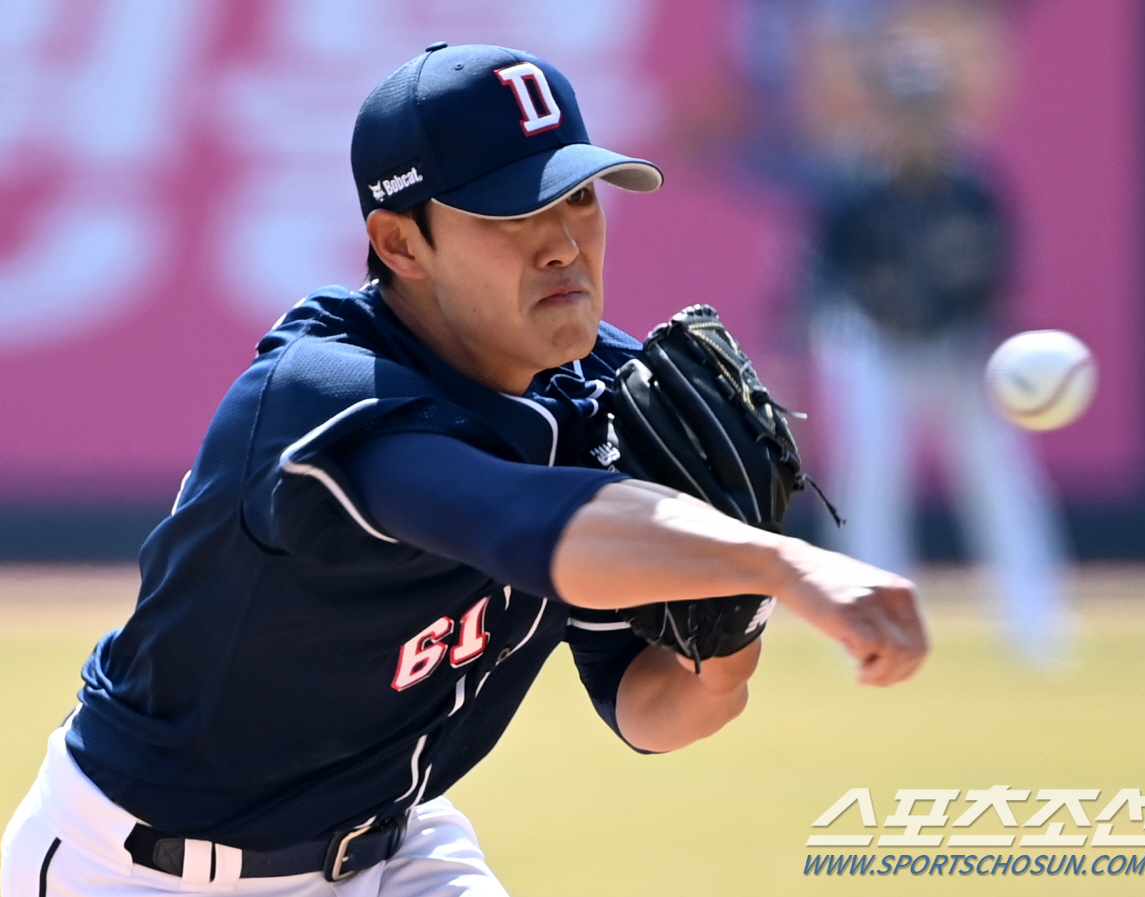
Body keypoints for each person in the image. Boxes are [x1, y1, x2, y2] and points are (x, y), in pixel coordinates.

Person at [1, 42, 925, 897]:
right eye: (514, 211)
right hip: (140, 868)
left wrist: (727, 647)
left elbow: (654, 710)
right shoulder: (323, 393)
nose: (565, 242)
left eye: (580, 197)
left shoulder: (599, 395)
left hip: (397, 848)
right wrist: (783, 561)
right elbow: (514, 516)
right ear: (401, 242)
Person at [799, 1, 1072, 665]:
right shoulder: (856, 186)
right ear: (889, 111)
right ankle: (869, 625)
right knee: (869, 476)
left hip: (954, 342)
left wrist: (972, 344)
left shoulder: (973, 185)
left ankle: (1037, 625)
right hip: (873, 339)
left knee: (1001, 472)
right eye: (906, 108)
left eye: (926, 109)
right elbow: (824, 281)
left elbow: (992, 281)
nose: (917, 124)